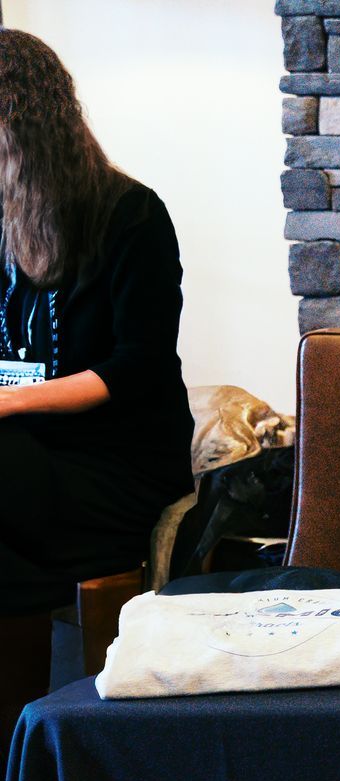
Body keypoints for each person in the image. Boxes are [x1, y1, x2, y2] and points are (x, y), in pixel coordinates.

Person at [0, 30, 191, 731]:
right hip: (25, 461)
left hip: (116, 464)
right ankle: (27, 750)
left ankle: (22, 751)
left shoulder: (131, 215)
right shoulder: (3, 222)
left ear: (25, 128)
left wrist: (10, 401)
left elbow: (136, 367)